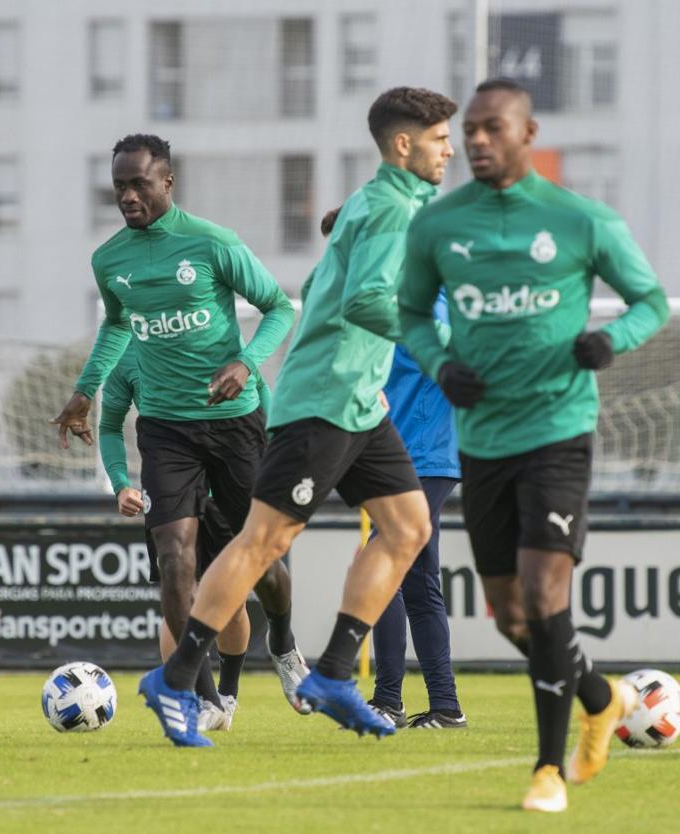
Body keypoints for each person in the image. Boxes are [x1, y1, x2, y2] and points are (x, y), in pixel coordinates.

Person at [138, 86, 456, 747]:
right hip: (323, 403)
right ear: (404, 144)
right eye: (440, 138)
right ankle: (174, 677)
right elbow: (368, 301)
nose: (450, 148)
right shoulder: (390, 212)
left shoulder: (380, 203)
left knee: (407, 527)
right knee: (260, 544)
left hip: (361, 405)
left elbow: (317, 288)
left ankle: (336, 672)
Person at [399, 79, 669, 813]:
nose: (478, 142)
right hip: (480, 444)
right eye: (471, 131)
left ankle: (548, 769)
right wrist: (440, 363)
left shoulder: (580, 220)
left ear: (528, 132)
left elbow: (653, 300)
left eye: (492, 129)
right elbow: (409, 312)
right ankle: (599, 696)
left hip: (558, 432)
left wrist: (610, 340)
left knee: (548, 596)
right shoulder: (438, 226)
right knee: (513, 616)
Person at [50, 133, 299, 719]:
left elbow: (280, 306)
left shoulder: (212, 242)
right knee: (173, 553)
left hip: (235, 422)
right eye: (118, 187)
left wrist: (246, 361)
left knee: (258, 555)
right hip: (165, 426)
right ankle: (203, 696)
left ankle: (284, 643)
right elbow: (115, 327)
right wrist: (85, 392)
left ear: (167, 182)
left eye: (139, 183)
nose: (128, 196)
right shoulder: (109, 259)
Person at [88, 338, 309, 730]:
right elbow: (108, 426)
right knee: (179, 587)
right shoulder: (127, 358)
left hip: (230, 482)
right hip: (173, 491)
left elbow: (261, 393)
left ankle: (239, 682)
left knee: (238, 598)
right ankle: (202, 700)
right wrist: (121, 483)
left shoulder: (214, 336)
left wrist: (276, 459)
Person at [364, 291, 463, 729]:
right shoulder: (382, 297)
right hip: (394, 454)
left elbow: (447, 348)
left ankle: (388, 700)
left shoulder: (428, 300)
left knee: (382, 563)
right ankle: (445, 706)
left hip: (424, 455)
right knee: (418, 580)